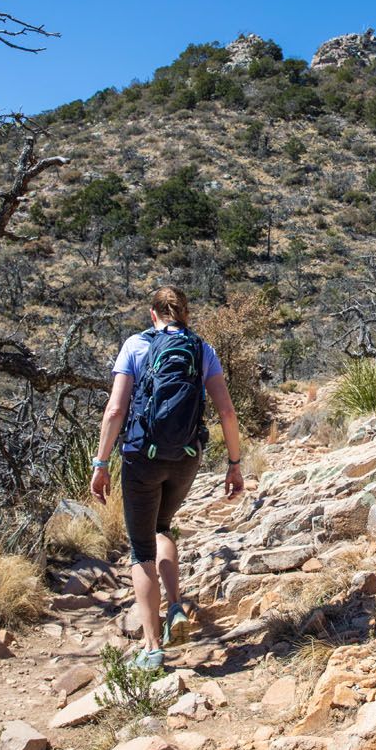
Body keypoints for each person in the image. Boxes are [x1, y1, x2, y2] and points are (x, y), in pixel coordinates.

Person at [91, 286, 244, 670]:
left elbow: (114, 411)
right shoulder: (202, 349)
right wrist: (234, 463)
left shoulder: (136, 346)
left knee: (141, 549)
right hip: (186, 456)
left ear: (152, 313)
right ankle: (175, 606)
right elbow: (227, 412)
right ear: (184, 313)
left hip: (142, 456)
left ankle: (152, 647)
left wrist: (101, 463)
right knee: (163, 526)